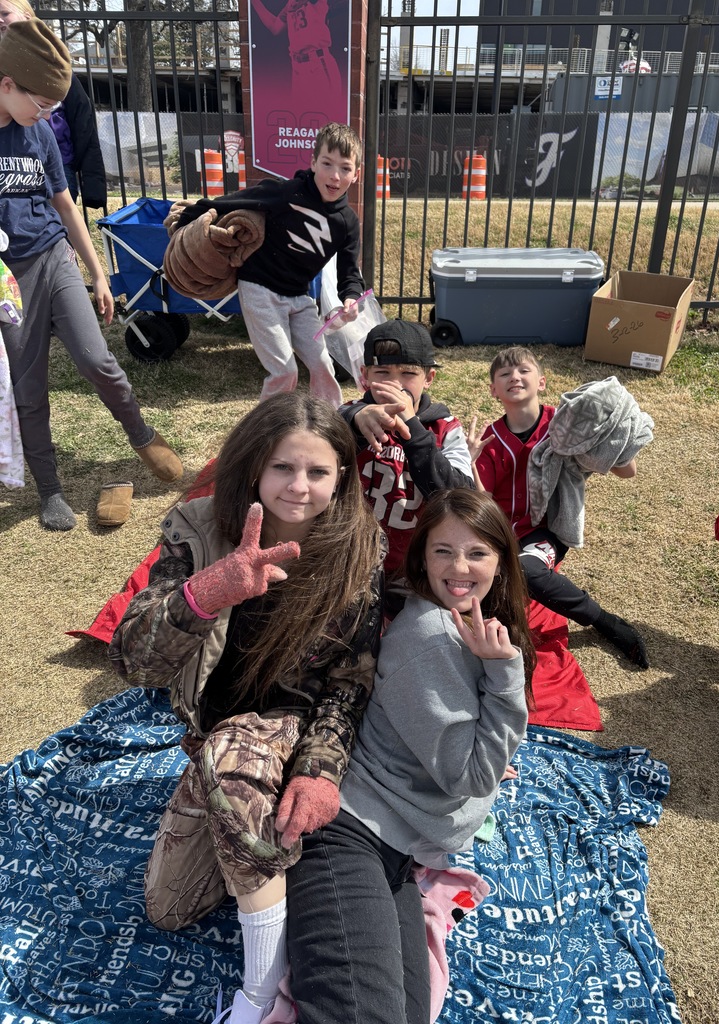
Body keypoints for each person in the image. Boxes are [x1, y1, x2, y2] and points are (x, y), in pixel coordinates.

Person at [108, 392, 385, 1024]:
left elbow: (349, 681)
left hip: (285, 727)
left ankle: (261, 991)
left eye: (318, 472)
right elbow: (134, 661)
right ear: (255, 466)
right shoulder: (199, 528)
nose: (299, 486)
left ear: (341, 478)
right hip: (210, 730)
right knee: (168, 908)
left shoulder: (357, 548)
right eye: (284, 468)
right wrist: (205, 594)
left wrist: (320, 770)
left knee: (233, 762)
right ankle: (255, 833)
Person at [286, 487, 534, 1024]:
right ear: (421, 556)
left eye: (477, 552)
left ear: (501, 559)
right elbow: (471, 775)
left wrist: (485, 741)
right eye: (442, 551)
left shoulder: (462, 625)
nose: (459, 566)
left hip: (395, 849)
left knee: (408, 1014)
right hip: (345, 831)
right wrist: (505, 674)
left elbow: (468, 745)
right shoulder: (432, 639)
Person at [0, 18, 182, 531]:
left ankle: (142, 434)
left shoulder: (38, 133)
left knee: (96, 358)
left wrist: (98, 273)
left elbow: (64, 204)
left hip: (53, 257)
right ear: (7, 84)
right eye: (42, 104)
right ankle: (50, 488)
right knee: (28, 387)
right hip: (8, 281)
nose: (48, 115)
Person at [471, 346, 649, 669]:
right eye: (504, 374)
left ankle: (605, 622)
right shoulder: (490, 439)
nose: (515, 376)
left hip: (544, 532)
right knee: (484, 605)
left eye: (524, 370)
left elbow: (627, 471)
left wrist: (612, 441)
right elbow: (479, 505)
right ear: (493, 390)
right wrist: (470, 464)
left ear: (542, 381)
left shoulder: (564, 423)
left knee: (525, 571)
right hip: (498, 534)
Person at [175, 122, 364, 406]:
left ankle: (334, 427)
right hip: (260, 288)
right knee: (284, 372)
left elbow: (349, 271)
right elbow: (230, 202)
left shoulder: (347, 223)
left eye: (345, 168)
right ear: (313, 162)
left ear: (356, 175)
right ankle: (263, 436)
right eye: (327, 163)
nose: (335, 176)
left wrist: (351, 297)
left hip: (300, 298)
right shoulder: (286, 193)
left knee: (323, 365)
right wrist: (187, 218)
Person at [339, 318, 474, 590]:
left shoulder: (445, 428)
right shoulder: (346, 415)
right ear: (365, 376)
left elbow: (459, 496)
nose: (395, 385)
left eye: (409, 374)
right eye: (382, 373)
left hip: (417, 569)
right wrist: (354, 422)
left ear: (429, 378)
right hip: (348, 563)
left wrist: (413, 429)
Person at [0, 0, 107, 208]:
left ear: (28, 18)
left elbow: (83, 125)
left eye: (5, 12)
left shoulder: (52, 70)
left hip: (55, 162)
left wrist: (93, 184)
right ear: (7, 85)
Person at [251, 0, 344, 115]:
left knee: (326, 117)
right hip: (298, 68)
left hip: (318, 63)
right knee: (302, 120)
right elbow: (276, 27)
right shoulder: (291, 4)